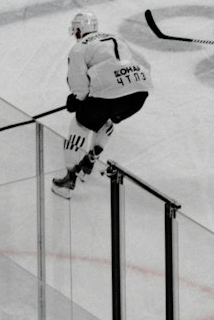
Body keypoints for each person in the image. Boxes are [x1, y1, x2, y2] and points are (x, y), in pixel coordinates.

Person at [52, 12, 151, 198]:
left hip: (109, 97)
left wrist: (77, 101)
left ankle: (68, 178)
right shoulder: (116, 37)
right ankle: (90, 160)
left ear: (80, 30)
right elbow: (143, 63)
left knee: (80, 125)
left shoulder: (79, 48)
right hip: (138, 95)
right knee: (105, 119)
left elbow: (79, 86)